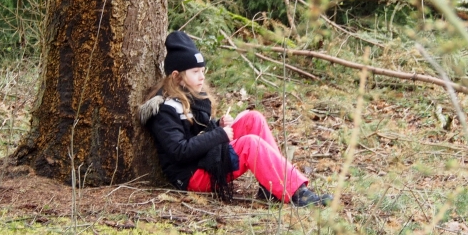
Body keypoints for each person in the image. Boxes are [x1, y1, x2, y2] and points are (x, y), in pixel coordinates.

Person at [139, 30, 331, 207]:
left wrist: (217, 125)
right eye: (195, 72)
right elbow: (179, 151)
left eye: (203, 71)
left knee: (253, 119)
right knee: (249, 145)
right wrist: (219, 135)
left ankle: (273, 185)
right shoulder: (165, 109)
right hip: (193, 175)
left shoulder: (191, 97)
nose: (201, 77)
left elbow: (198, 130)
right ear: (177, 77)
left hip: (204, 160)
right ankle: (297, 194)